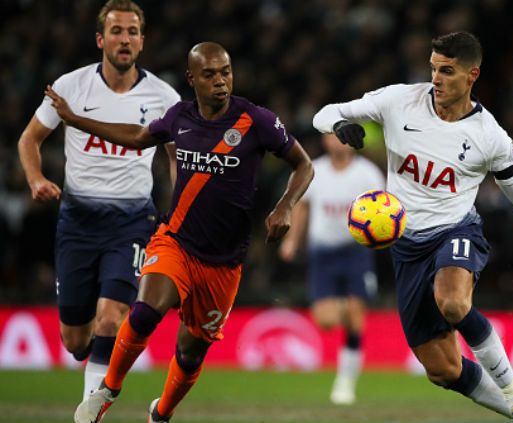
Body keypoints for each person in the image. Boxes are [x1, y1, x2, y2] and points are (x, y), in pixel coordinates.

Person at [313, 31, 513, 423]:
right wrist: (338, 127)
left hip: (455, 232)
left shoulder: (489, 137)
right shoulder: (399, 101)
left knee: (452, 302)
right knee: (443, 370)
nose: (435, 79)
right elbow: (325, 112)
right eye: (433, 68)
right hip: (407, 247)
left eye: (446, 71)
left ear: (472, 75)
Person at [45, 41, 314, 423]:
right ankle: (108, 388)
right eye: (210, 74)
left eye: (226, 72)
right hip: (176, 241)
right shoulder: (179, 117)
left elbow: (303, 165)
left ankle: (162, 413)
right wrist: (75, 119)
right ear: (192, 79)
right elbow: (139, 137)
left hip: (223, 263)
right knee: (143, 313)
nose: (220, 81)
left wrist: (285, 205)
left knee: (190, 355)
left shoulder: (255, 120)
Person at [16, 0, 180, 400]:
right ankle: (96, 359)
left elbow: (179, 159)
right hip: (77, 223)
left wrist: (176, 212)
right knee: (75, 340)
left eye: (132, 32)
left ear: (142, 41)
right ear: (100, 39)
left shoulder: (163, 97)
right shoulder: (72, 86)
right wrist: (36, 177)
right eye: (117, 31)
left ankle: (91, 407)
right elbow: (29, 138)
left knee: (111, 317)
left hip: (132, 223)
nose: (124, 39)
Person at [279, 132, 385, 405]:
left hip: (356, 251)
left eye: (342, 137)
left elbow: (383, 212)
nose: (337, 142)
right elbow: (302, 207)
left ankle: (346, 381)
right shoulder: (315, 170)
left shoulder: (368, 174)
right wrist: (292, 240)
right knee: (325, 320)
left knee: (356, 315)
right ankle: (348, 305)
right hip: (322, 251)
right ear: (325, 141)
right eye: (332, 137)